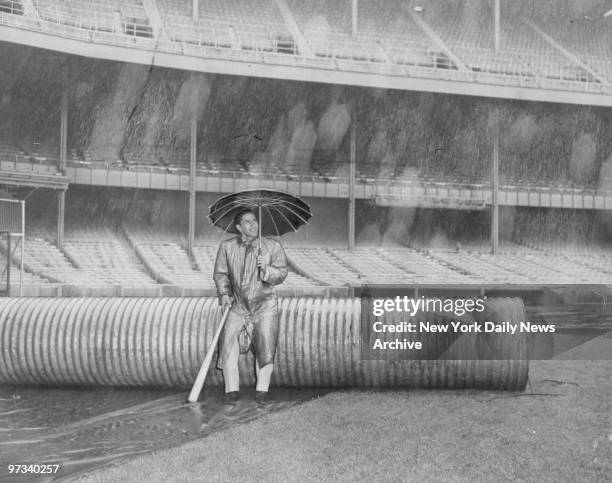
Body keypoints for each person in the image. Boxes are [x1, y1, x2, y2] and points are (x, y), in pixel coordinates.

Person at [213, 208, 288, 404]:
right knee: (227, 345)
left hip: (265, 305)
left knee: (266, 348)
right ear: (238, 227)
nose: (254, 225)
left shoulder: (272, 246)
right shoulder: (227, 247)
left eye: (255, 221)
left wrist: (267, 269)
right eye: (248, 222)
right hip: (238, 305)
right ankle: (231, 390)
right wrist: (224, 294)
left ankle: (262, 391)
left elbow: (281, 273)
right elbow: (221, 274)